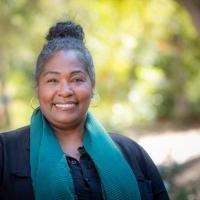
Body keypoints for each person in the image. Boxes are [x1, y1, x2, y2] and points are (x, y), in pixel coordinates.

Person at [0, 21, 170, 200]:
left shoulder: (131, 154)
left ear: (93, 86)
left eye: (77, 79)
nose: (65, 91)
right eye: (52, 80)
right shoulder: (6, 152)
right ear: (37, 88)